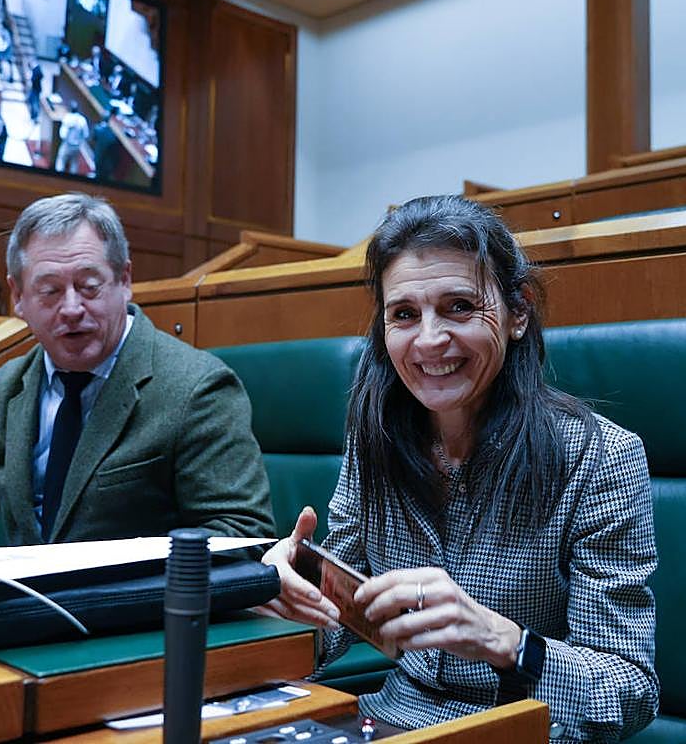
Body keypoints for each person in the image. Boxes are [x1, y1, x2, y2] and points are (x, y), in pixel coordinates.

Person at [259, 195, 658, 742]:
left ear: (517, 313)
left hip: (519, 730)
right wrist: (283, 593)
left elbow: (629, 691)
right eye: (403, 315)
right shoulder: (373, 439)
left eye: (460, 307)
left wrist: (503, 641)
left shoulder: (600, 457)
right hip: (384, 723)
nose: (428, 340)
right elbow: (341, 624)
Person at [0, 192, 275, 549]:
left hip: (139, 606)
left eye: (88, 286)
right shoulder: (6, 388)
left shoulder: (197, 387)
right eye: (50, 290)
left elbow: (244, 534)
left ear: (125, 280)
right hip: (26, 604)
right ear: (18, 297)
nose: (71, 308)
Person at [55, 101, 90, 173]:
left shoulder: (67, 118)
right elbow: (86, 135)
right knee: (74, 164)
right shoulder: (82, 120)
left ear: (70, 109)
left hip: (67, 145)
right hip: (77, 146)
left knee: (61, 161)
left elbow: (62, 135)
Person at [91, 111, 120, 181]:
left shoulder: (97, 129)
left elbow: (93, 138)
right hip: (107, 162)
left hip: (98, 157)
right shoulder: (113, 134)